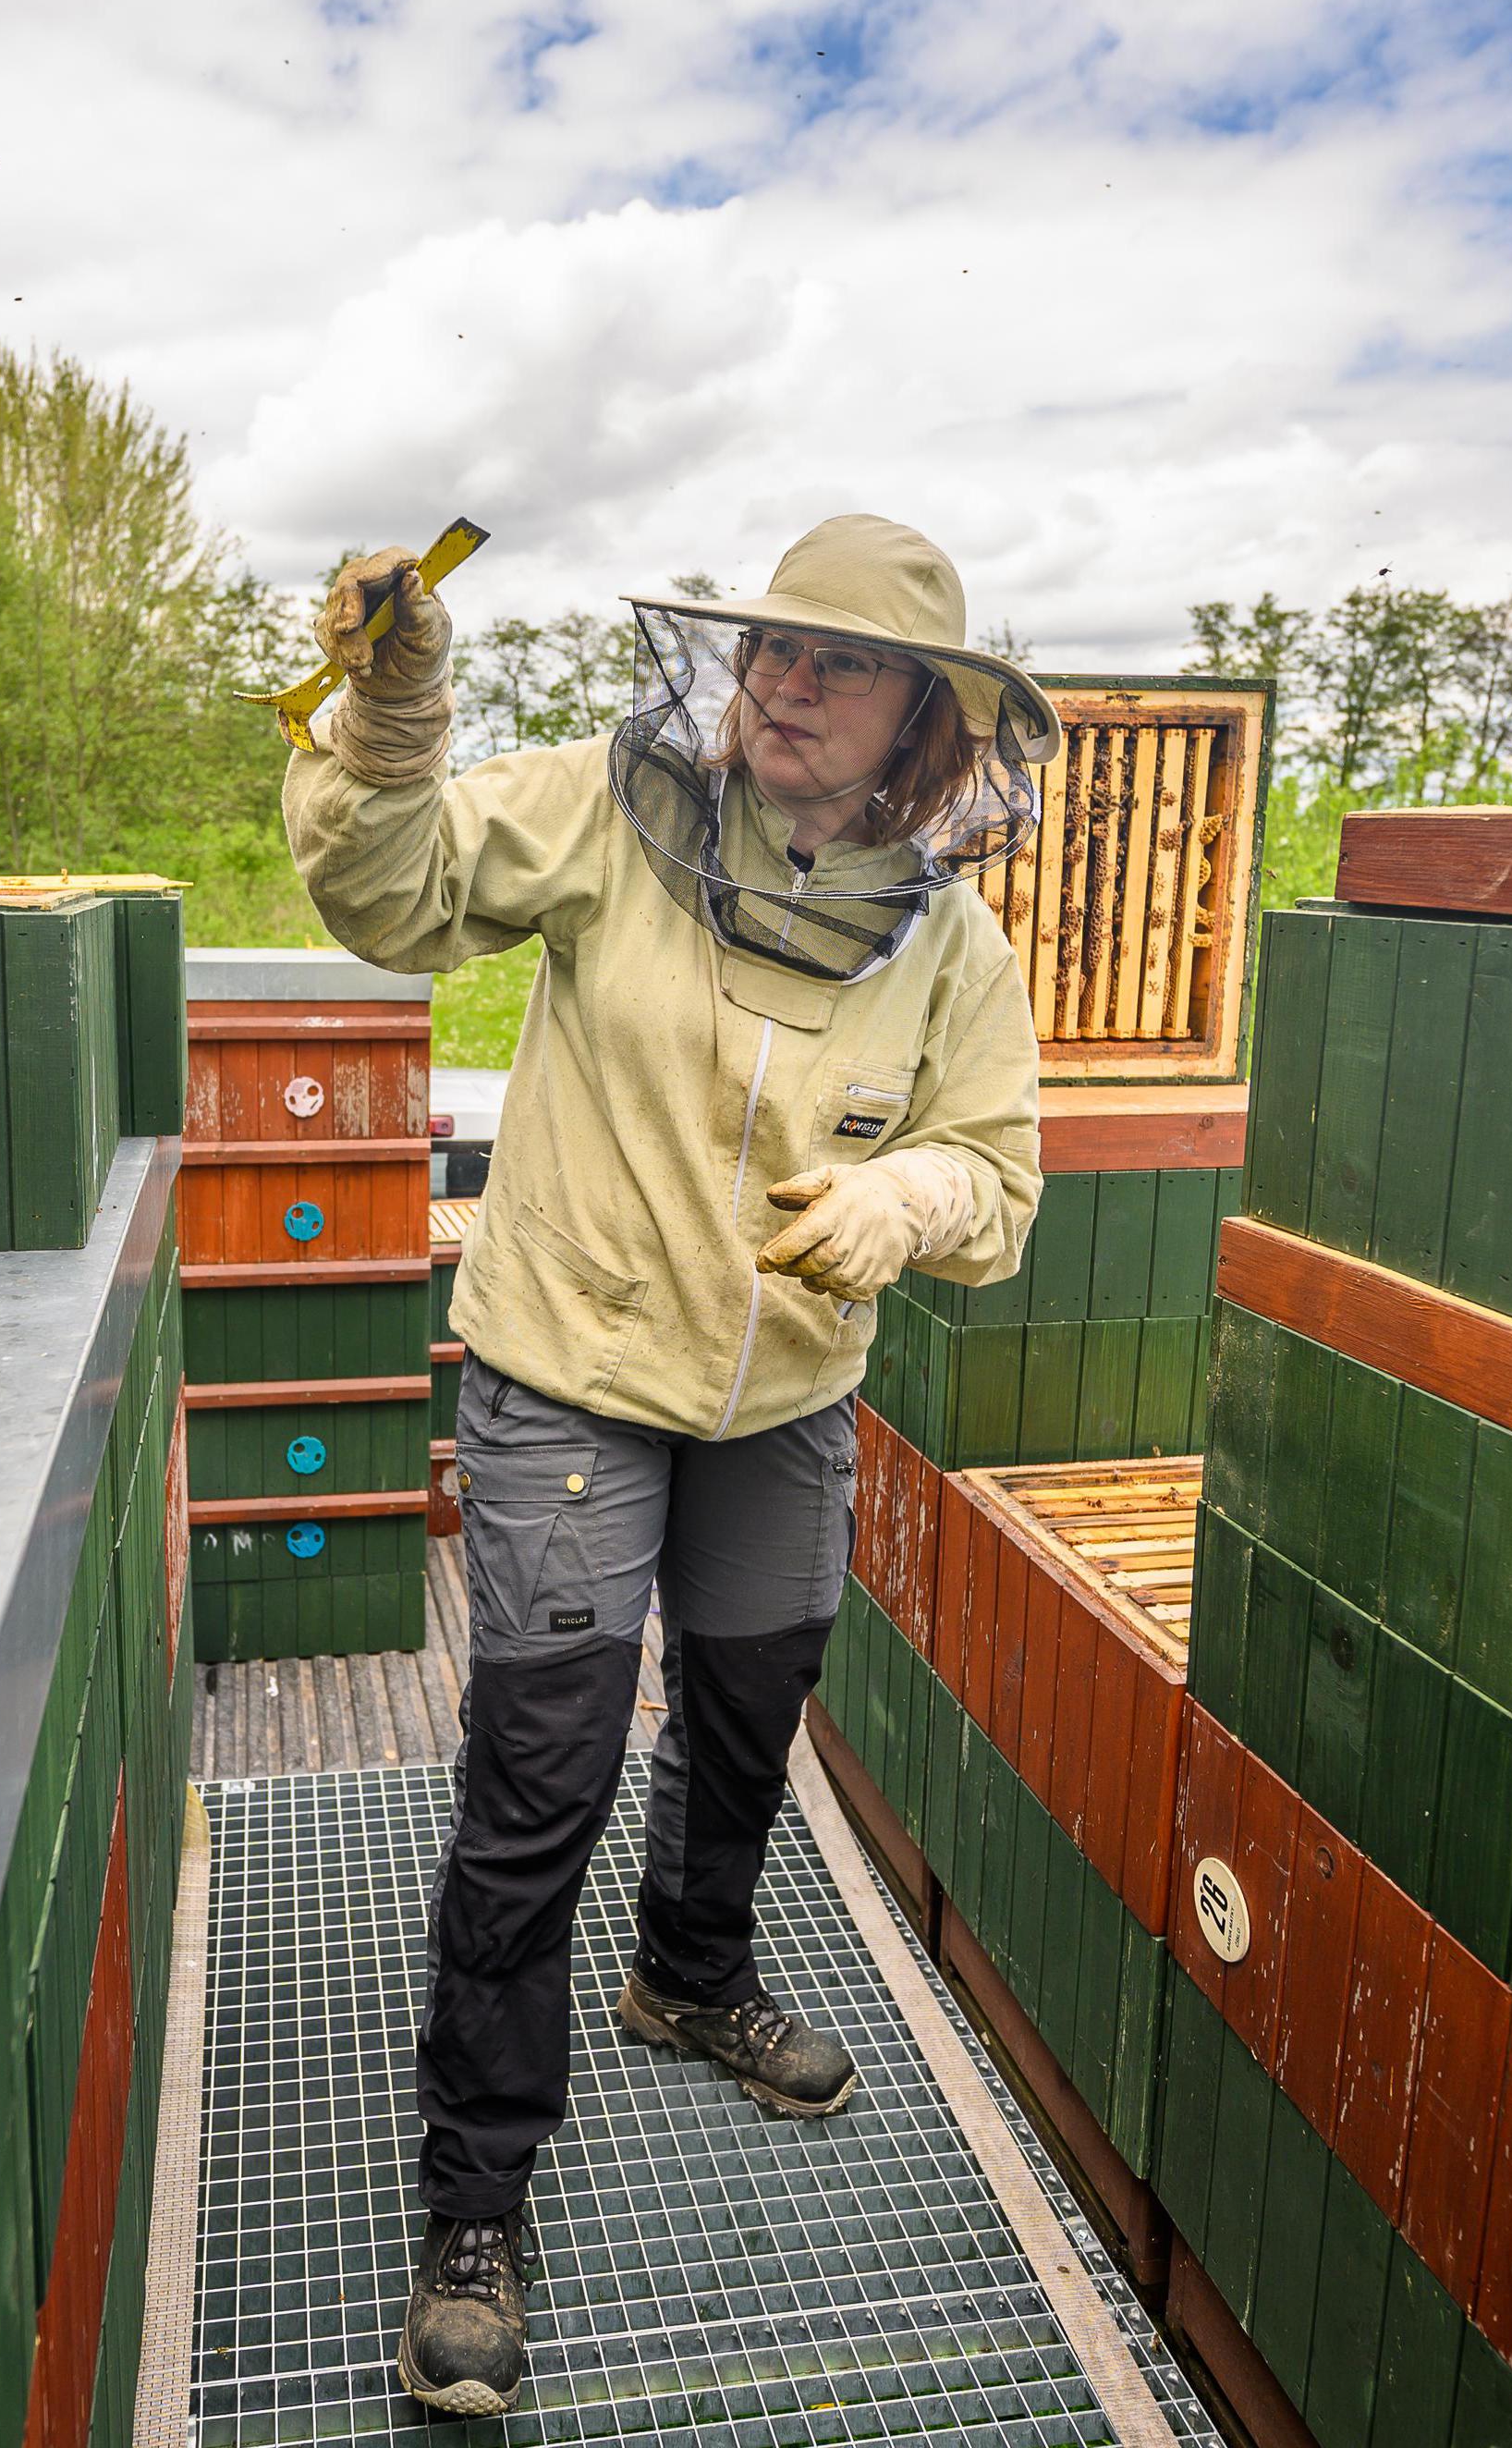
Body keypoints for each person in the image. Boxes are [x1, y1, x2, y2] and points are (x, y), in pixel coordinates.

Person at [280, 514, 1055, 2415]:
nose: (789, 684)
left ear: (924, 728)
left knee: (746, 1708)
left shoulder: (948, 942)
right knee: (539, 1769)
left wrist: (912, 1188)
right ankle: (475, 2198)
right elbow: (394, 890)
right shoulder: (610, 817)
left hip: (784, 1393)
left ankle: (691, 1975)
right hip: (572, 1375)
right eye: (775, 650)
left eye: (842, 665)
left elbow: (1004, 1178)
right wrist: (394, 710)